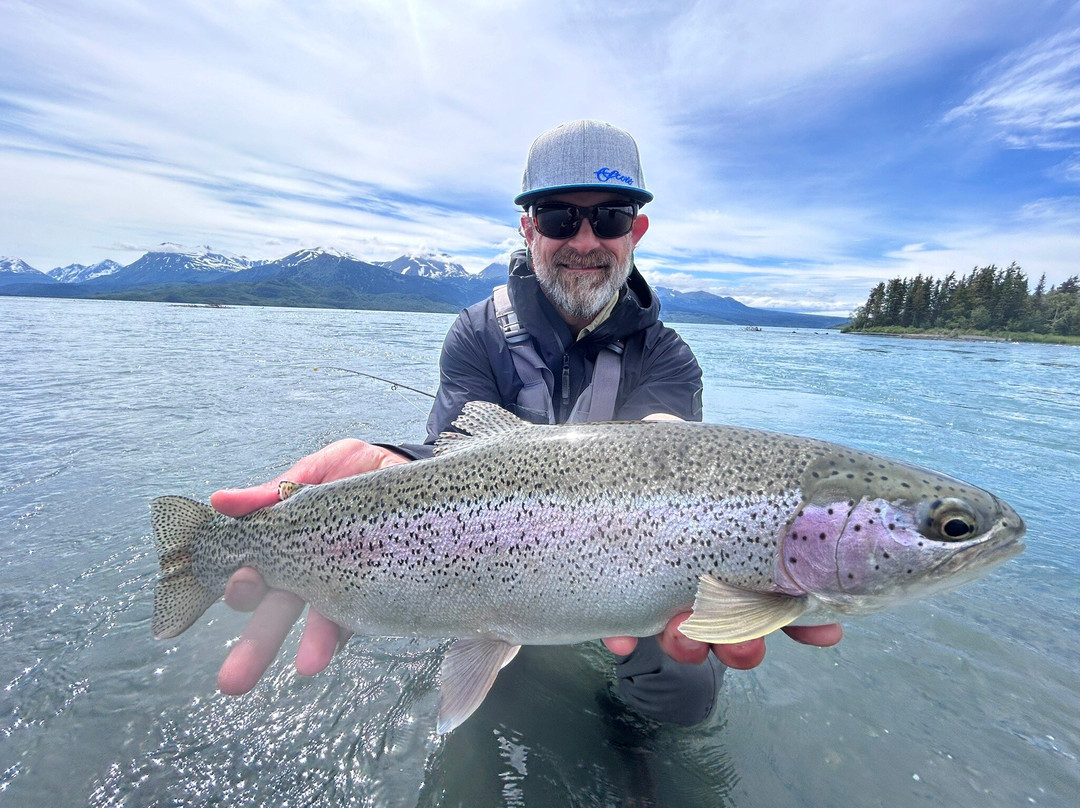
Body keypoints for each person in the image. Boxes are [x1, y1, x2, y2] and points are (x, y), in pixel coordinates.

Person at [210, 120, 842, 725]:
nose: (586, 241)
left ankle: (633, 740)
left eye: (611, 218)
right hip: (485, 564)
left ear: (637, 230)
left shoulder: (670, 358)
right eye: (562, 218)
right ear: (529, 227)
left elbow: (675, 469)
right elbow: (446, 461)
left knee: (687, 681)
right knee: (490, 684)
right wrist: (389, 459)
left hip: (634, 577)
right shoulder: (477, 333)